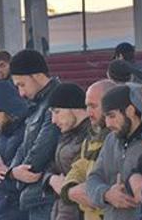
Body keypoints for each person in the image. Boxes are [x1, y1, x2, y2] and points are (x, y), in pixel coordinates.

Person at [8, 49, 61, 219]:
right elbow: (24, 146)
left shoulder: (57, 99)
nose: (21, 93)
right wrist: (13, 171)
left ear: (37, 75)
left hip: (49, 196)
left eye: (22, 85)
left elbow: (43, 148)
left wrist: (22, 172)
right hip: (35, 195)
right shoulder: (35, 104)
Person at [86, 84, 142, 220]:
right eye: (106, 117)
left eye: (112, 116)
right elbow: (93, 179)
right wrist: (107, 194)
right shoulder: (111, 140)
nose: (108, 124)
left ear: (130, 111)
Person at [60, 80, 116, 220]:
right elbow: (78, 168)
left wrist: (89, 195)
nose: (88, 112)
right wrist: (70, 189)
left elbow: (98, 196)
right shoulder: (90, 138)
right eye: (87, 106)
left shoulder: (119, 141)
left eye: (93, 106)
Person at [0, 80, 29, 220]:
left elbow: (21, 179)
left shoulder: (25, 133)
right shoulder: (4, 134)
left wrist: (1, 174)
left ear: (10, 111)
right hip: (1, 210)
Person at [42, 83, 90, 220]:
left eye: (57, 112)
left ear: (73, 108)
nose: (53, 120)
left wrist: (64, 186)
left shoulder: (91, 136)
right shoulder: (67, 134)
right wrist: (51, 179)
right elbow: (51, 166)